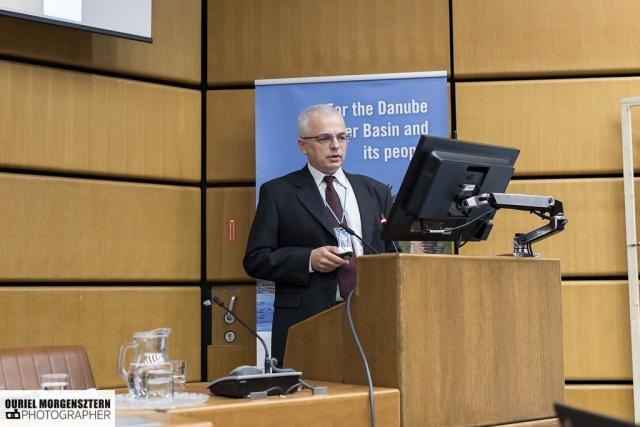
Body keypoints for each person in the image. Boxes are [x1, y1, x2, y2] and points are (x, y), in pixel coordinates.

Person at [243, 104, 397, 365]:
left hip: (370, 321)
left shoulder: (375, 191)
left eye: (342, 137)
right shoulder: (279, 193)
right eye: (325, 138)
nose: (336, 146)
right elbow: (256, 259)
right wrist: (308, 260)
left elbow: (391, 255)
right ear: (303, 146)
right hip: (306, 322)